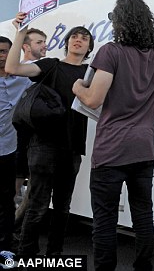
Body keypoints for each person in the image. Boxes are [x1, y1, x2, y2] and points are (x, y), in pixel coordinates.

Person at [72, 0, 154, 271]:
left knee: (104, 219)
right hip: (143, 150)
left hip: (111, 150)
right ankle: (144, 267)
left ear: (119, 22)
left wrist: (77, 88)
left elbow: (92, 99)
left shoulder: (110, 52)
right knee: (143, 214)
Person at [5, 17, 94, 257]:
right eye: (74, 36)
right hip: (43, 146)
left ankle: (54, 256)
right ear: (67, 43)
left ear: (89, 48)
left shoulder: (91, 74)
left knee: (63, 208)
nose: (79, 40)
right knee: (37, 205)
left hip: (73, 147)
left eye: (84, 38)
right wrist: (20, 34)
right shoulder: (51, 65)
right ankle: (26, 255)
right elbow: (13, 68)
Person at [0, 36, 32, 257]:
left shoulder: (24, 81)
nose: (1, 56)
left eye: (5, 51)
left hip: (8, 150)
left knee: (6, 200)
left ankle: (5, 248)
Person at [14, 29, 48, 231]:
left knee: (30, 189)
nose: (44, 45)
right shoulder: (23, 69)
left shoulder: (42, 69)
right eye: (39, 42)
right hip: (20, 136)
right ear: (26, 46)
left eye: (44, 41)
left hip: (33, 138)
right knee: (17, 184)